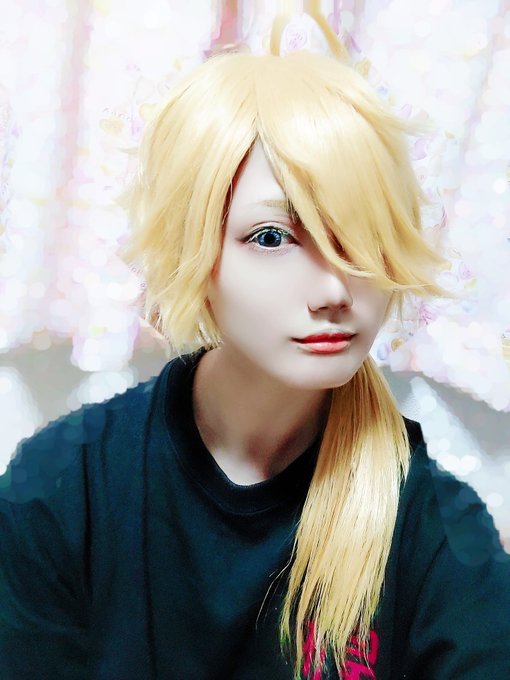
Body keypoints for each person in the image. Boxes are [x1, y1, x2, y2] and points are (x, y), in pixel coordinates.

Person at [1, 31, 510, 680]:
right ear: (194, 250)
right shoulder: (63, 489)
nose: (333, 291)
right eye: (272, 237)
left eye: (361, 237)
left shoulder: (433, 526)